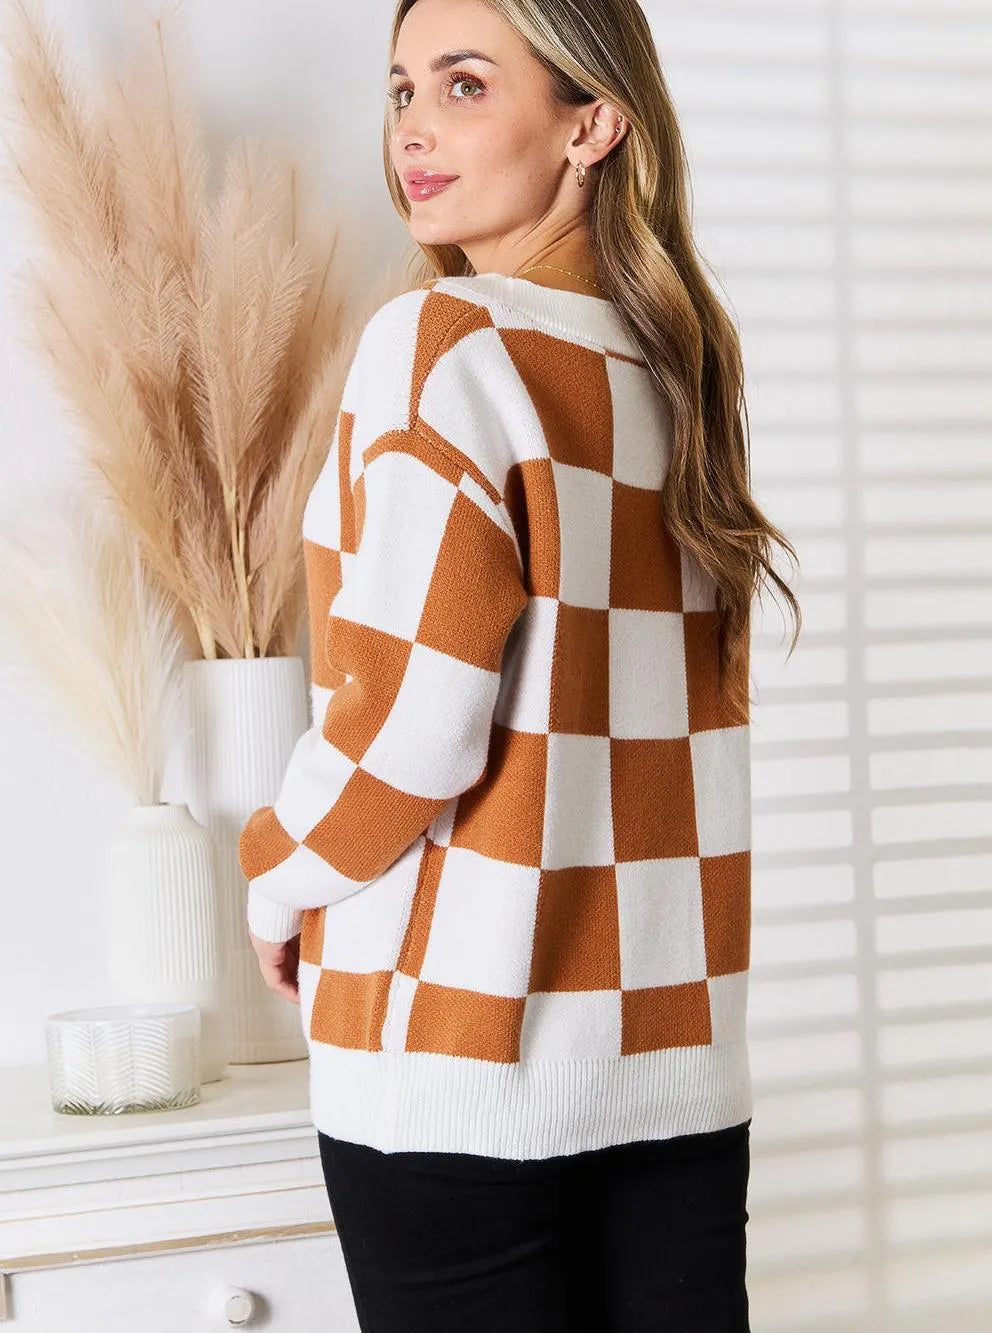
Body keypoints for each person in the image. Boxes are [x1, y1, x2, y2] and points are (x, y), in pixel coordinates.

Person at [238, 0, 802, 1328]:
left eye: (466, 85)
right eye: (401, 91)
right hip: (673, 1062)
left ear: (591, 124)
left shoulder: (444, 342)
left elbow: (410, 721)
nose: (413, 129)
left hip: (459, 1062)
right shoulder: (680, 372)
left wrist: (276, 873)